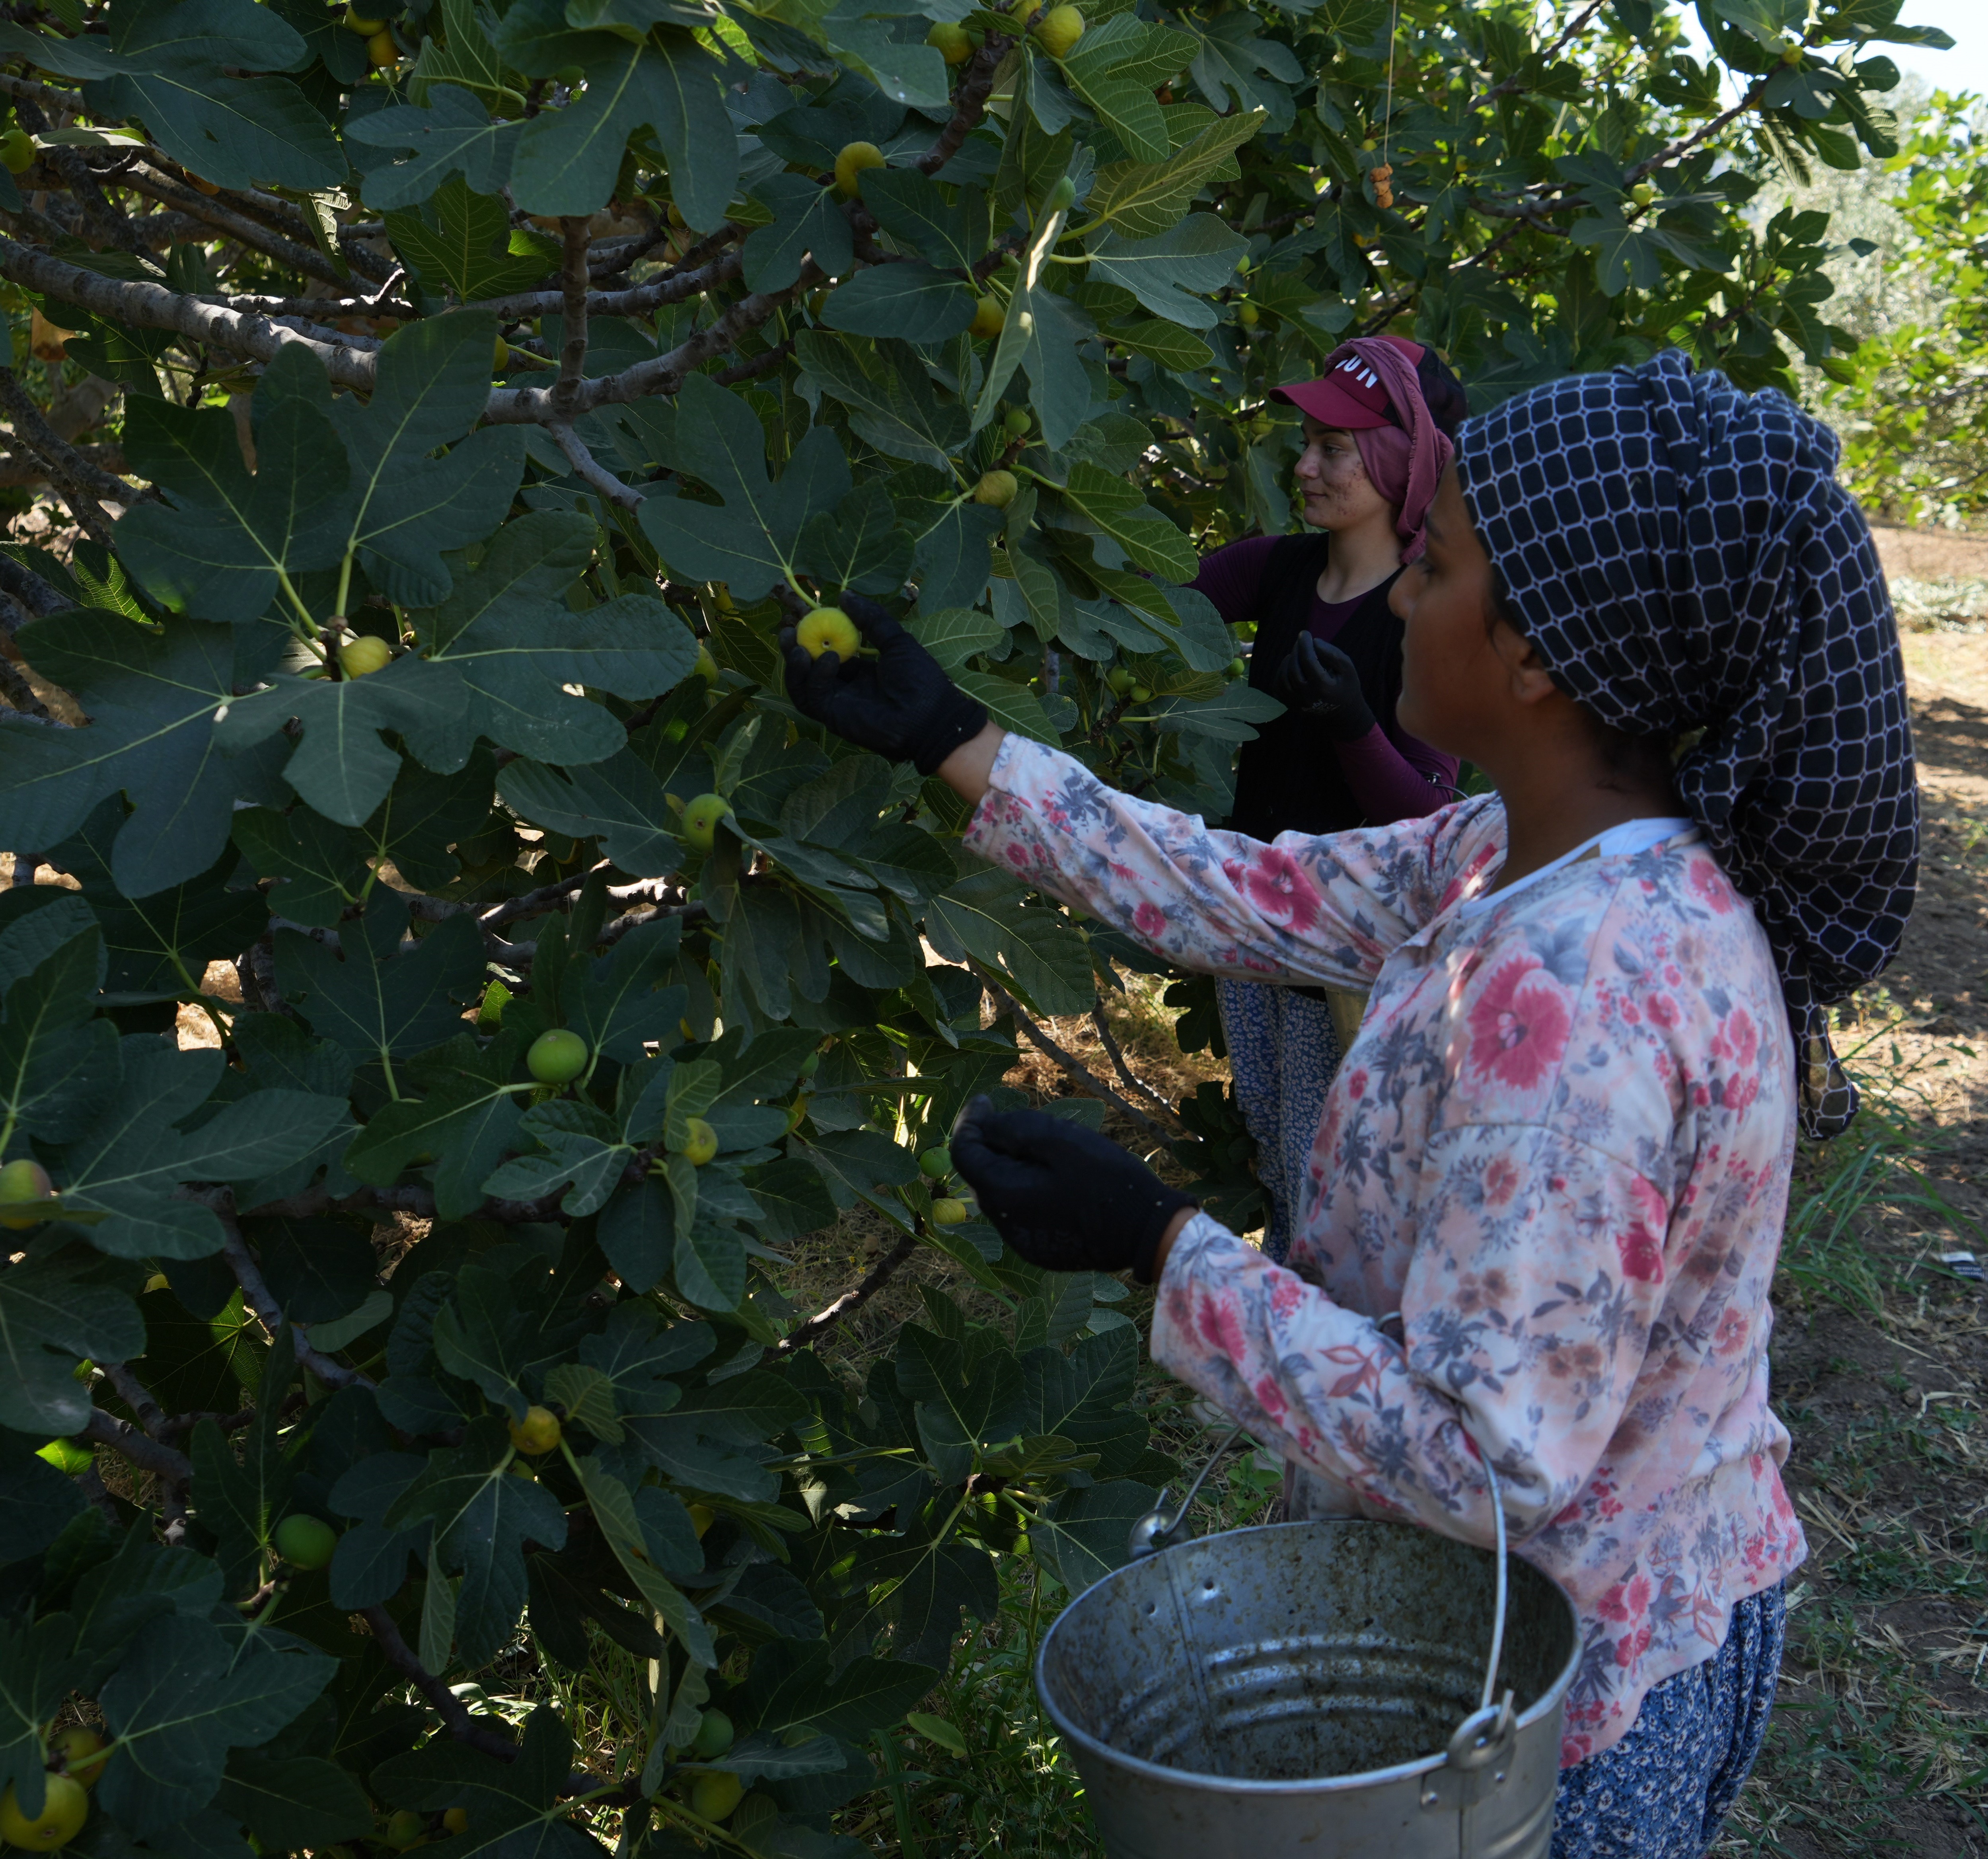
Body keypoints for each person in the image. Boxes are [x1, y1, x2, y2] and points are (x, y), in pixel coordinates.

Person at [778, 350, 1920, 1857]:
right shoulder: (1523, 851)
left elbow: (1485, 1459)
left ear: (1534, 658)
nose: (1389, 597)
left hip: (1546, 1705)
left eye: (1434, 566)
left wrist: (1158, 1246)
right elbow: (1251, 890)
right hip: (1615, 1609)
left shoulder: (1571, 1012)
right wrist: (954, 744)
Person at [1199, 335, 1468, 1262]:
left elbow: (1435, 817)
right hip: (1252, 917)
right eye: (1306, 442)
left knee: (1330, 1153)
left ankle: (1315, 1350)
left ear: (1397, 461)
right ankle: (1292, 1340)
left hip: (1346, 945)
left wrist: (1355, 720)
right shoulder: (1276, 570)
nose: (1305, 466)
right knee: (1275, 1124)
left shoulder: (1427, 608)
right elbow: (1142, 597)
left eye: (1334, 449)